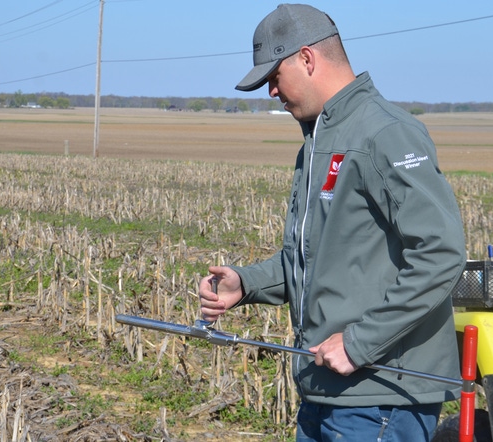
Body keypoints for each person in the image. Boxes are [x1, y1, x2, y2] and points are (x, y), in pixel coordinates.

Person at [198, 4, 467, 441]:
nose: (271, 92)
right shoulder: (318, 144)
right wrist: (245, 284)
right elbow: (314, 259)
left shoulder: (385, 134)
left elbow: (442, 254)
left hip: (380, 393)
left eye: (273, 77)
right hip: (326, 388)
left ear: (307, 59)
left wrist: (361, 342)